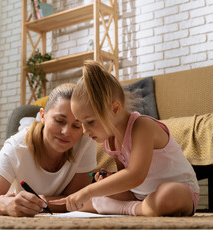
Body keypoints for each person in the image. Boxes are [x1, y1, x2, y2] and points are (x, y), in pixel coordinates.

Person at [50, 61, 199, 217]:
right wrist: (110, 179)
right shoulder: (111, 140)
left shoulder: (143, 127)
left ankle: (131, 209)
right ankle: (142, 207)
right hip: (141, 195)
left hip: (180, 191)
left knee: (168, 195)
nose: (85, 130)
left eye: (91, 122)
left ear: (115, 109)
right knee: (91, 199)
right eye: (80, 123)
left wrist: (88, 190)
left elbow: (135, 175)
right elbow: (126, 178)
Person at [0, 83, 97, 217]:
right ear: (43, 116)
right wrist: (8, 204)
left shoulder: (86, 143)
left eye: (76, 126)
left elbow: (75, 200)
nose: (66, 132)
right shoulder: (17, 146)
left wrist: (41, 203)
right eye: (59, 121)